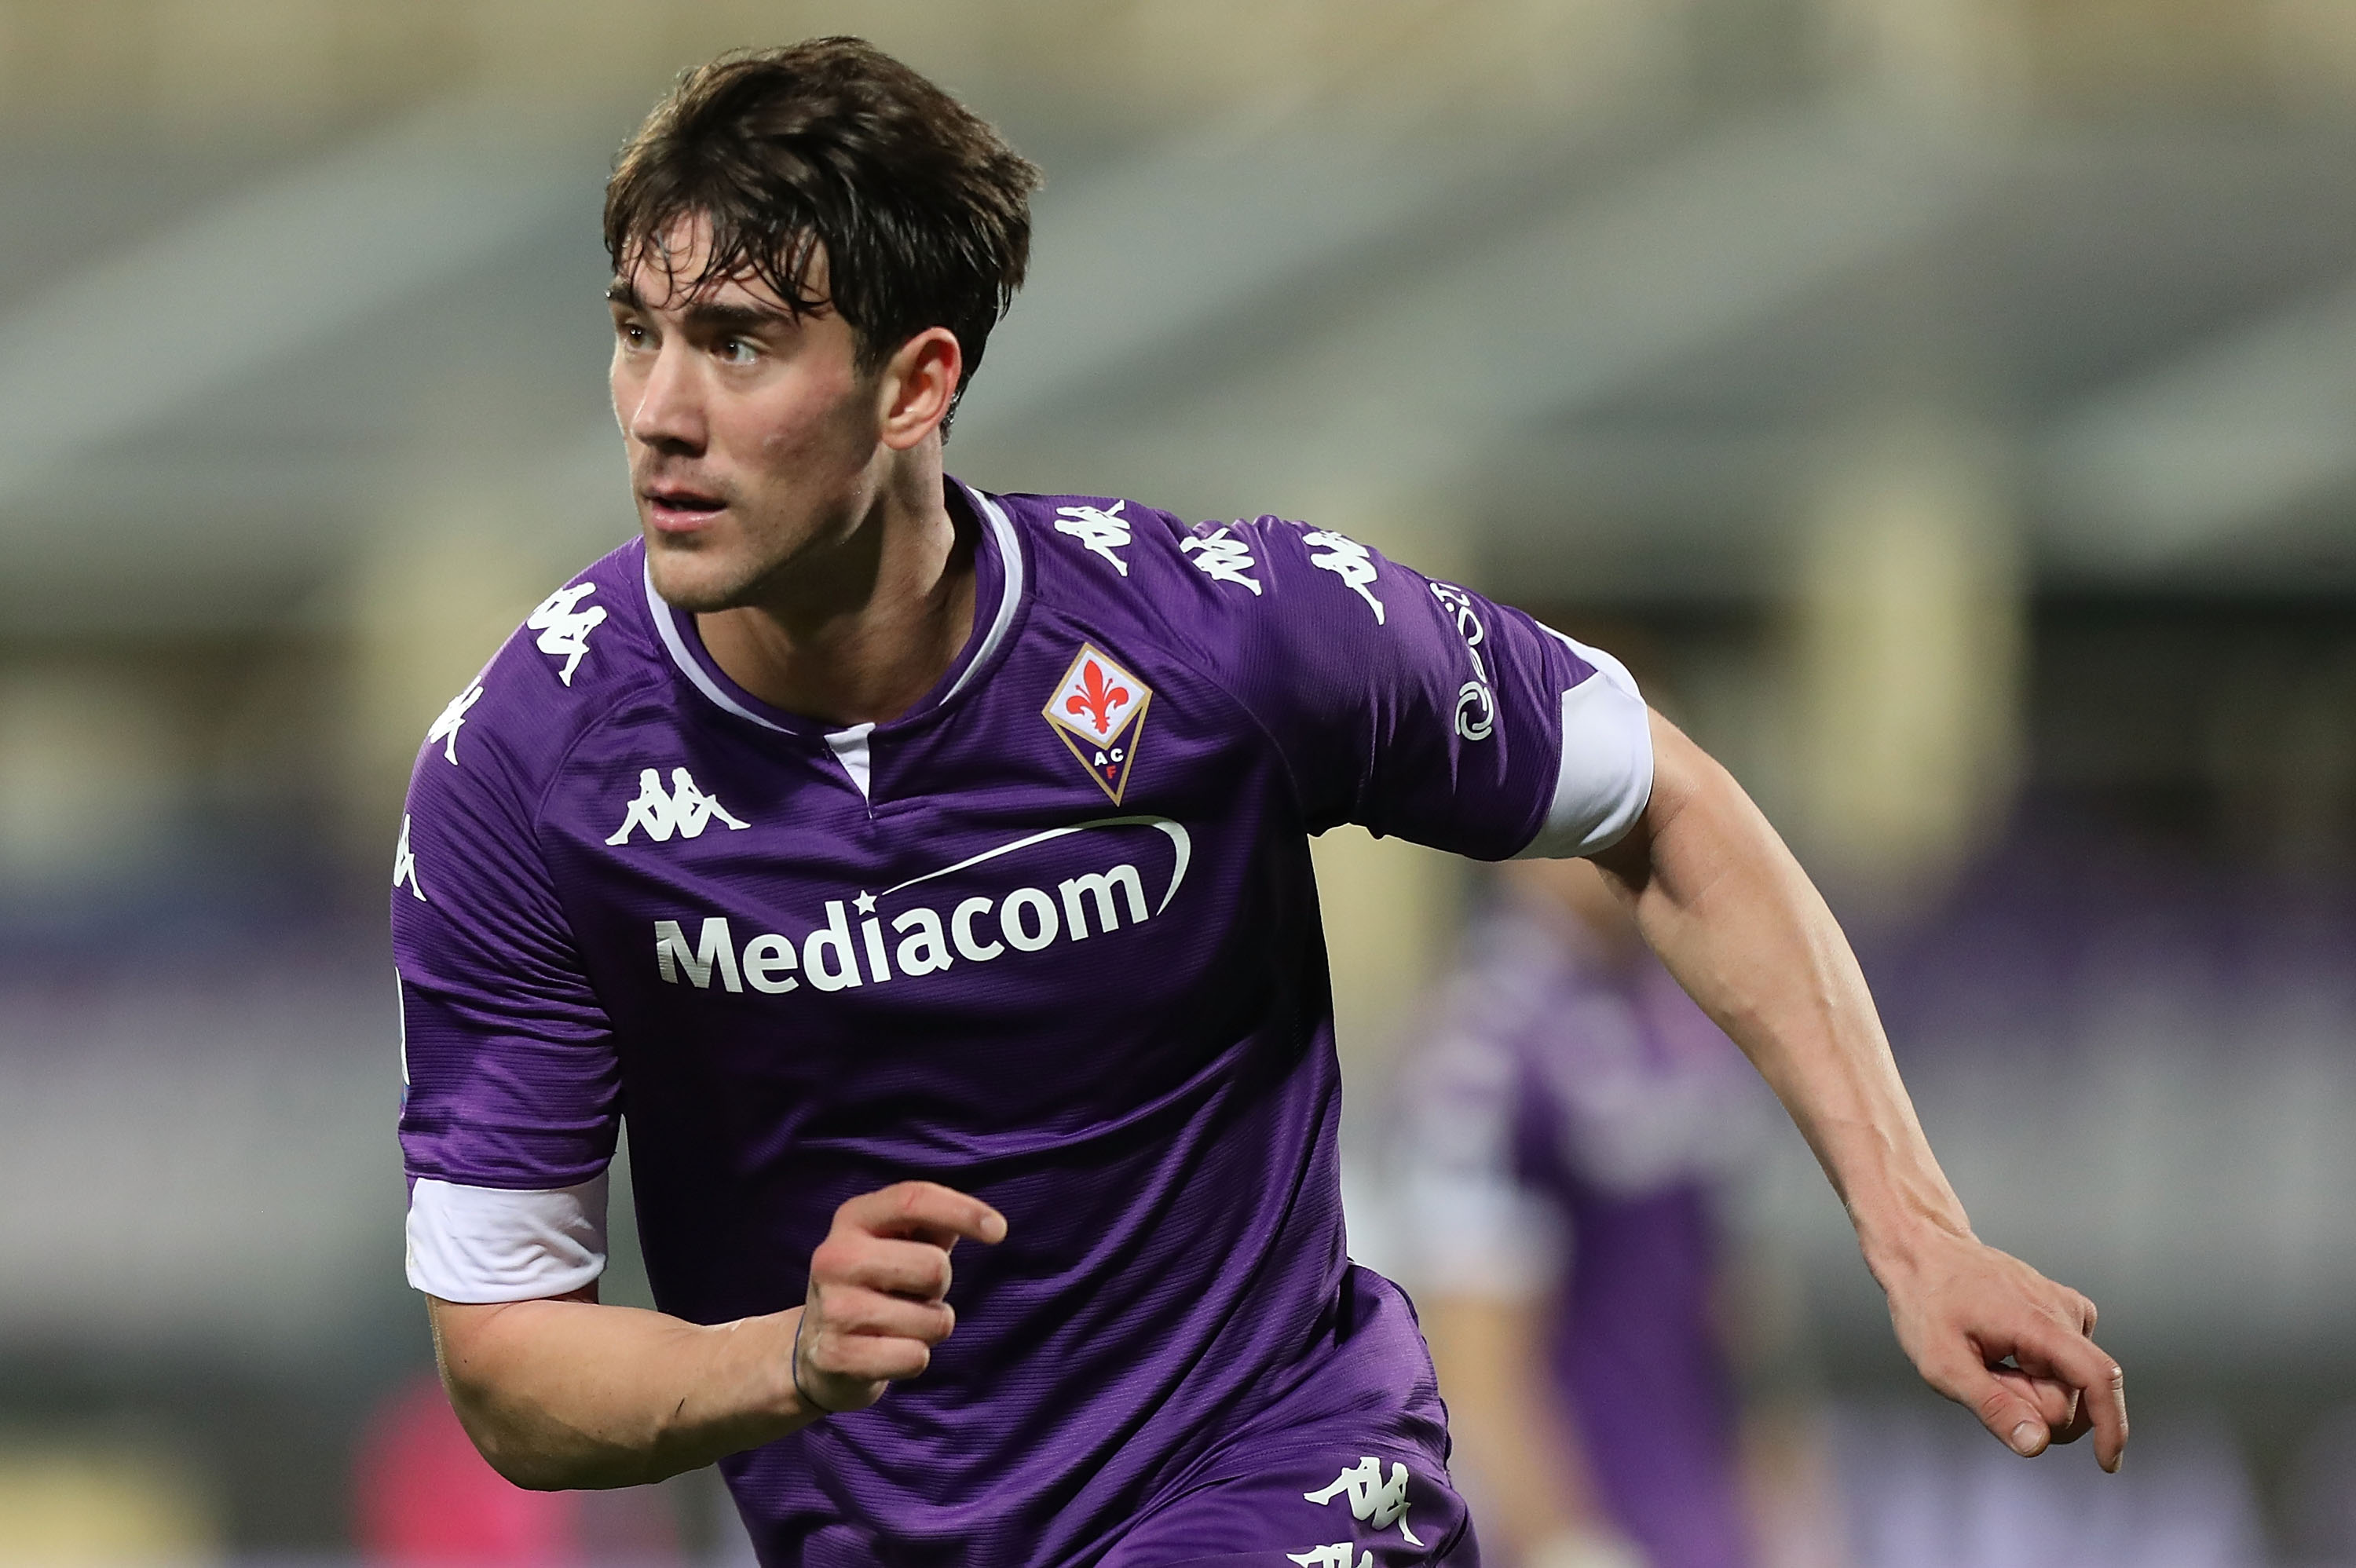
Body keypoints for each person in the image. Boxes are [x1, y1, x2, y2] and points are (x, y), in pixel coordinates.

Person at [393, 37, 2126, 1568]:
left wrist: (1920, 1235)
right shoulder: (526, 776)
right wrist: (784, 1357)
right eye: (637, 333)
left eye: (738, 343)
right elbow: (508, 1363)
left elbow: (1656, 792)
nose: (660, 413)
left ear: (915, 384)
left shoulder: (1221, 639)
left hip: (1282, 1474)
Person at [1389, 857, 1772, 1568]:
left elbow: (1733, 1315)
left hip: (1705, 1524)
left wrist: (1788, 1516)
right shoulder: (1486, 1043)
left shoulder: (1684, 1009)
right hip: (1596, 1531)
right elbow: (1473, 1363)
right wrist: (1567, 1544)